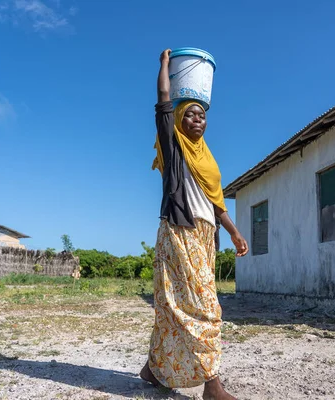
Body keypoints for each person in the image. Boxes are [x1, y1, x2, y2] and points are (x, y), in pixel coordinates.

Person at [140, 49, 249, 400]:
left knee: (176, 305)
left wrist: (233, 231)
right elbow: (163, 103)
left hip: (204, 236)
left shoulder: (208, 159)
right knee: (206, 309)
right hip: (179, 232)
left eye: (202, 116)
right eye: (191, 115)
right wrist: (165, 68)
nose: (198, 120)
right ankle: (212, 386)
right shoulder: (175, 149)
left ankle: (154, 370)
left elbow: (216, 204)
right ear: (180, 120)